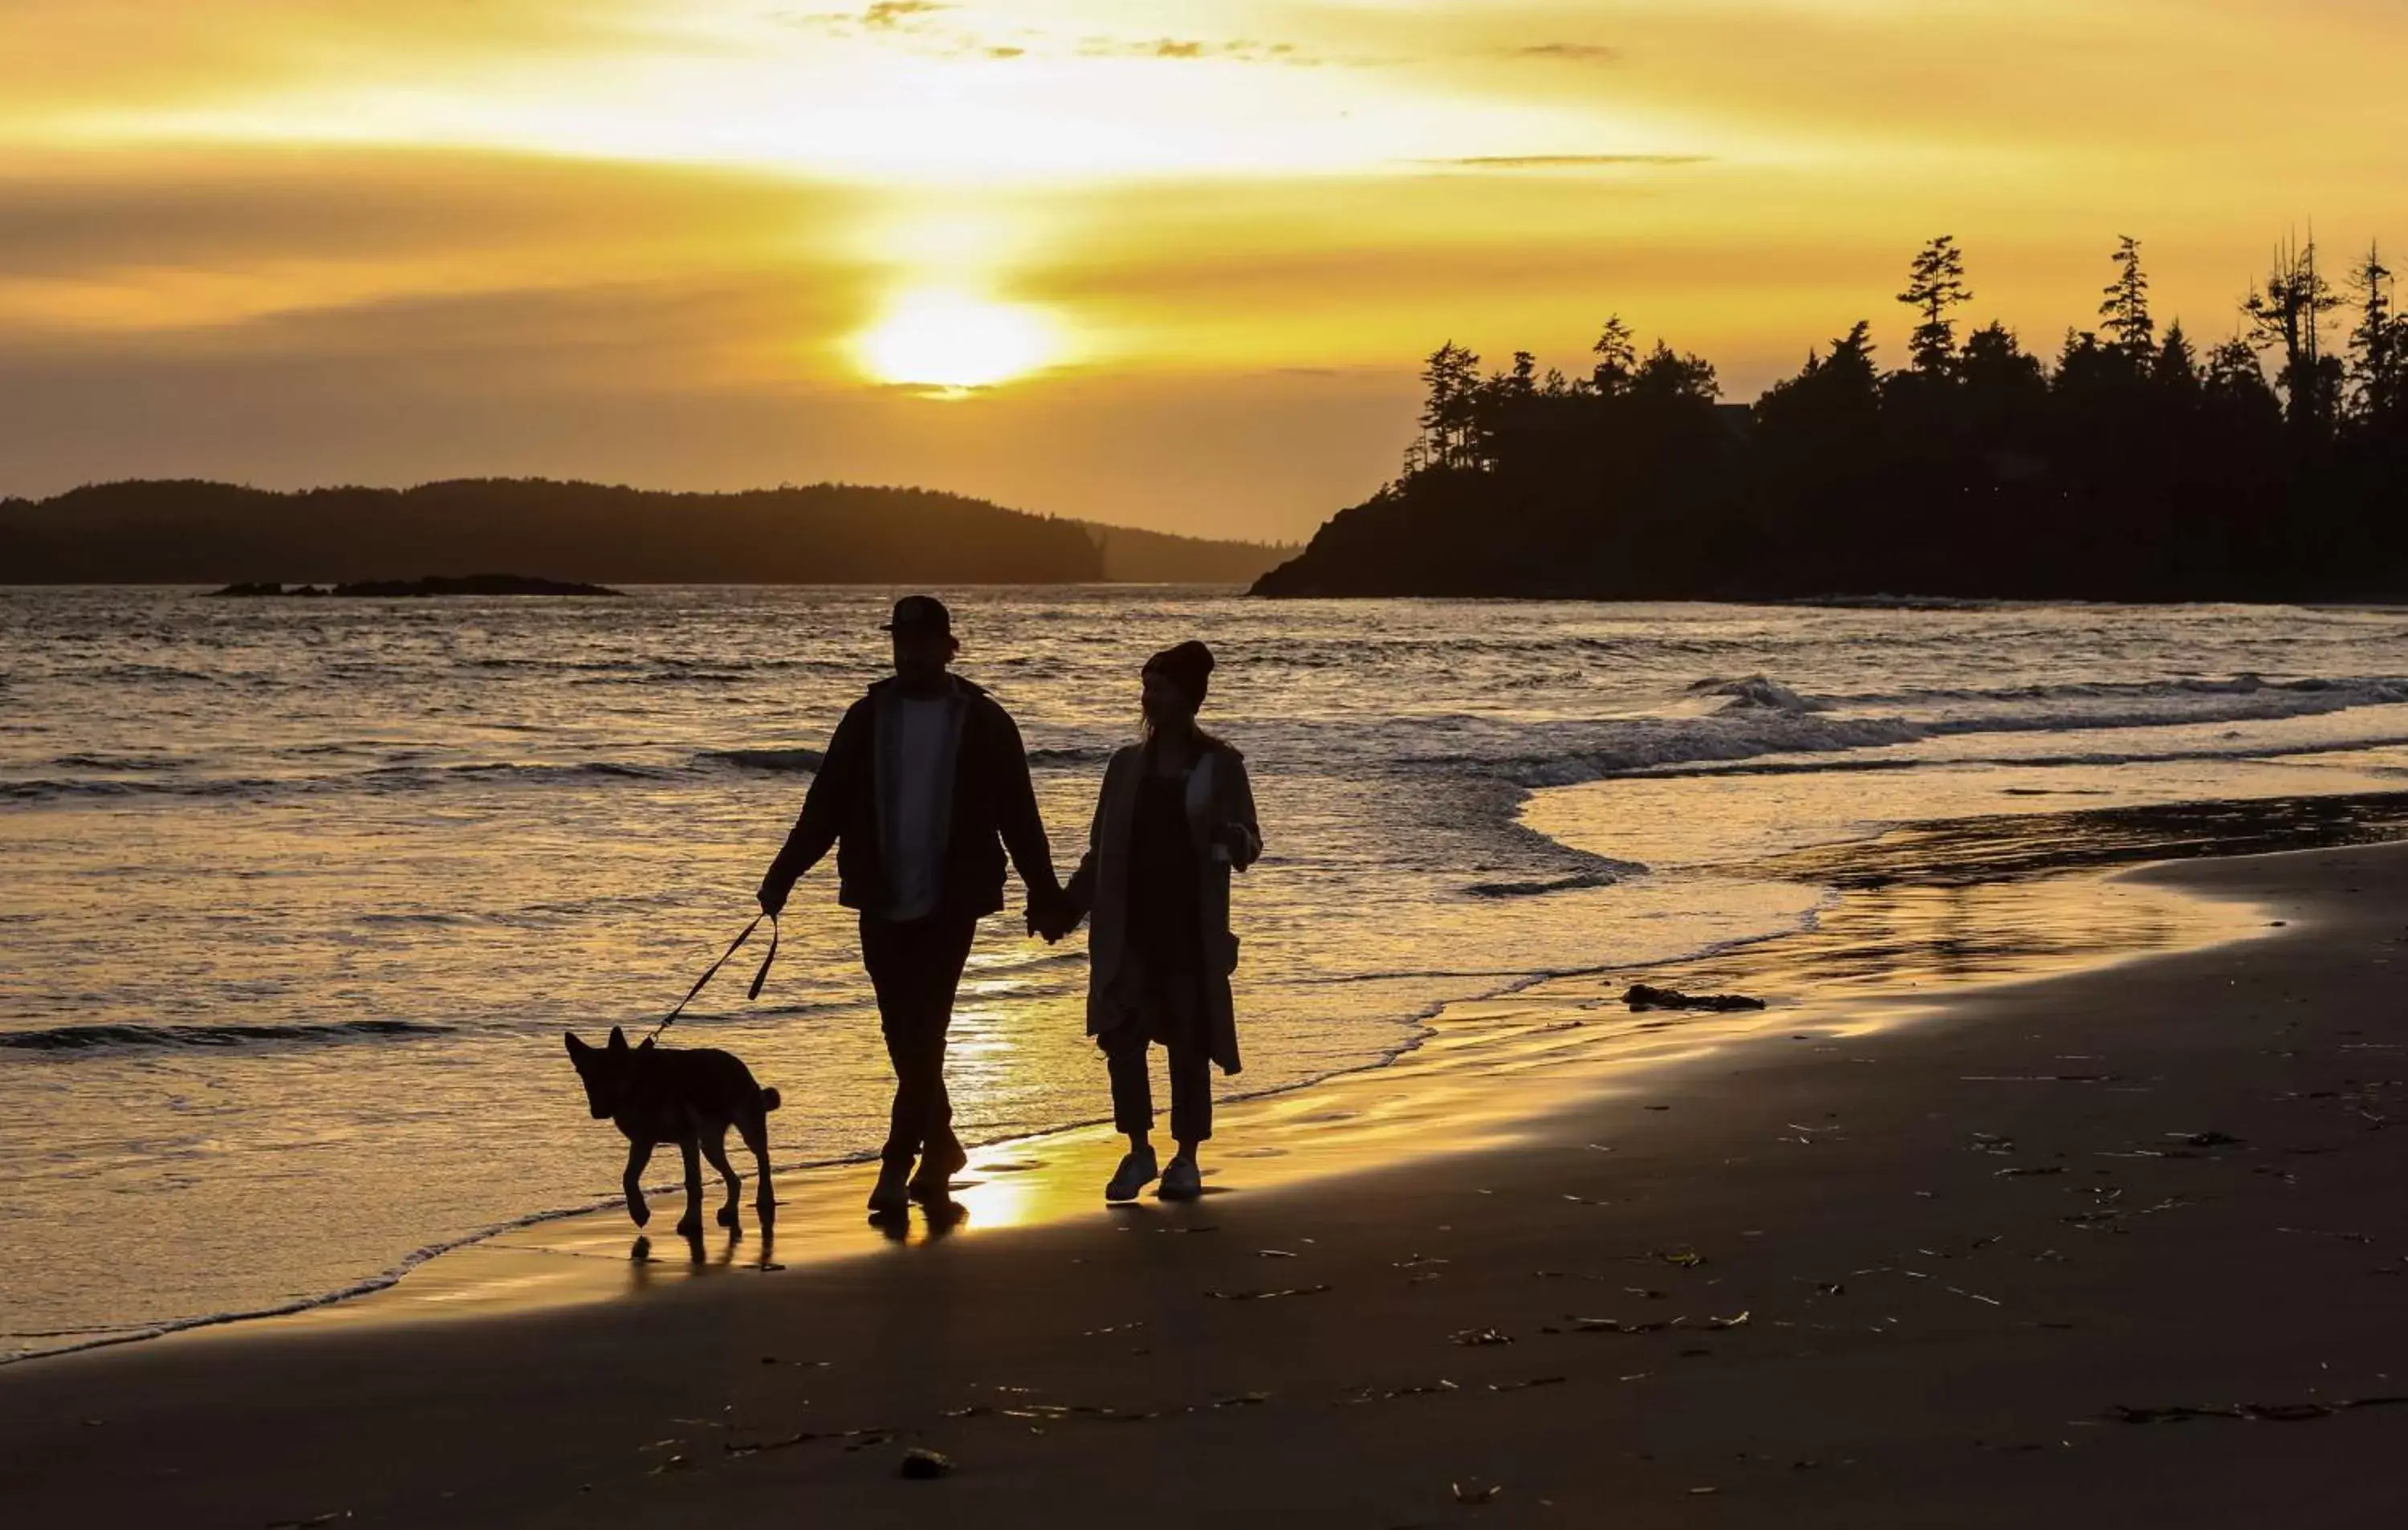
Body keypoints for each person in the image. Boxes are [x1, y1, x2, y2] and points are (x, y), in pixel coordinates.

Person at [757, 595, 1065, 1215]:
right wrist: (783, 873)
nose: (911, 655)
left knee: (928, 1031)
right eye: (902, 644)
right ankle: (943, 1141)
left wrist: (1045, 890)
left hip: (953, 900)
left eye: (923, 644)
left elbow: (1019, 816)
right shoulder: (866, 717)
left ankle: (898, 1163)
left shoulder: (983, 721)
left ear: (949, 648)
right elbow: (825, 807)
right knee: (903, 1033)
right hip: (880, 895)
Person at [1044, 641, 1261, 1202]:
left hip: (1190, 930)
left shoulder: (1220, 766)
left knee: (1189, 1041)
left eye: (1159, 688)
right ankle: (1138, 1150)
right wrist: (1067, 908)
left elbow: (1250, 844)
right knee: (1123, 1036)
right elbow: (1099, 852)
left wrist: (1231, 837)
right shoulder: (1124, 766)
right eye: (1146, 687)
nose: (1149, 698)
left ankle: (1186, 1157)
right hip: (1127, 927)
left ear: (1188, 698)